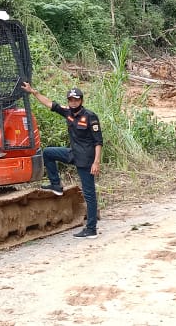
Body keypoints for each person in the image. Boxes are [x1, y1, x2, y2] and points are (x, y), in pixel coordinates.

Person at [20, 82, 103, 239]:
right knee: (48, 153)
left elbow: (98, 141)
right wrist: (33, 92)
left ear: (81, 101)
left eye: (76, 100)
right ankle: (56, 184)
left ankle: (91, 229)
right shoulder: (68, 113)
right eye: (71, 100)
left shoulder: (90, 116)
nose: (73, 102)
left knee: (89, 194)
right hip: (73, 154)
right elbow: (50, 104)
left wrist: (96, 162)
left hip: (86, 160)